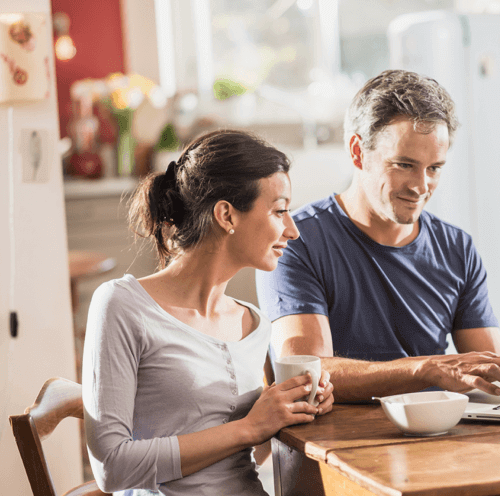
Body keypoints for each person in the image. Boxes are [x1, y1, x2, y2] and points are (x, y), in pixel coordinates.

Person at [256, 70, 500, 403]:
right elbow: (306, 376)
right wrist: (426, 370)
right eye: (404, 165)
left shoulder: (456, 248)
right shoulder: (295, 240)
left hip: (438, 440)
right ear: (358, 151)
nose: (421, 186)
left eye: (434, 168)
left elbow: (485, 370)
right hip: (341, 446)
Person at [82, 129, 334, 495]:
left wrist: (291, 411)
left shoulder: (252, 323)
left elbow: (250, 453)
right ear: (226, 215)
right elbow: (113, 468)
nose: (292, 230)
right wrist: (249, 427)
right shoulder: (123, 306)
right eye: (279, 211)